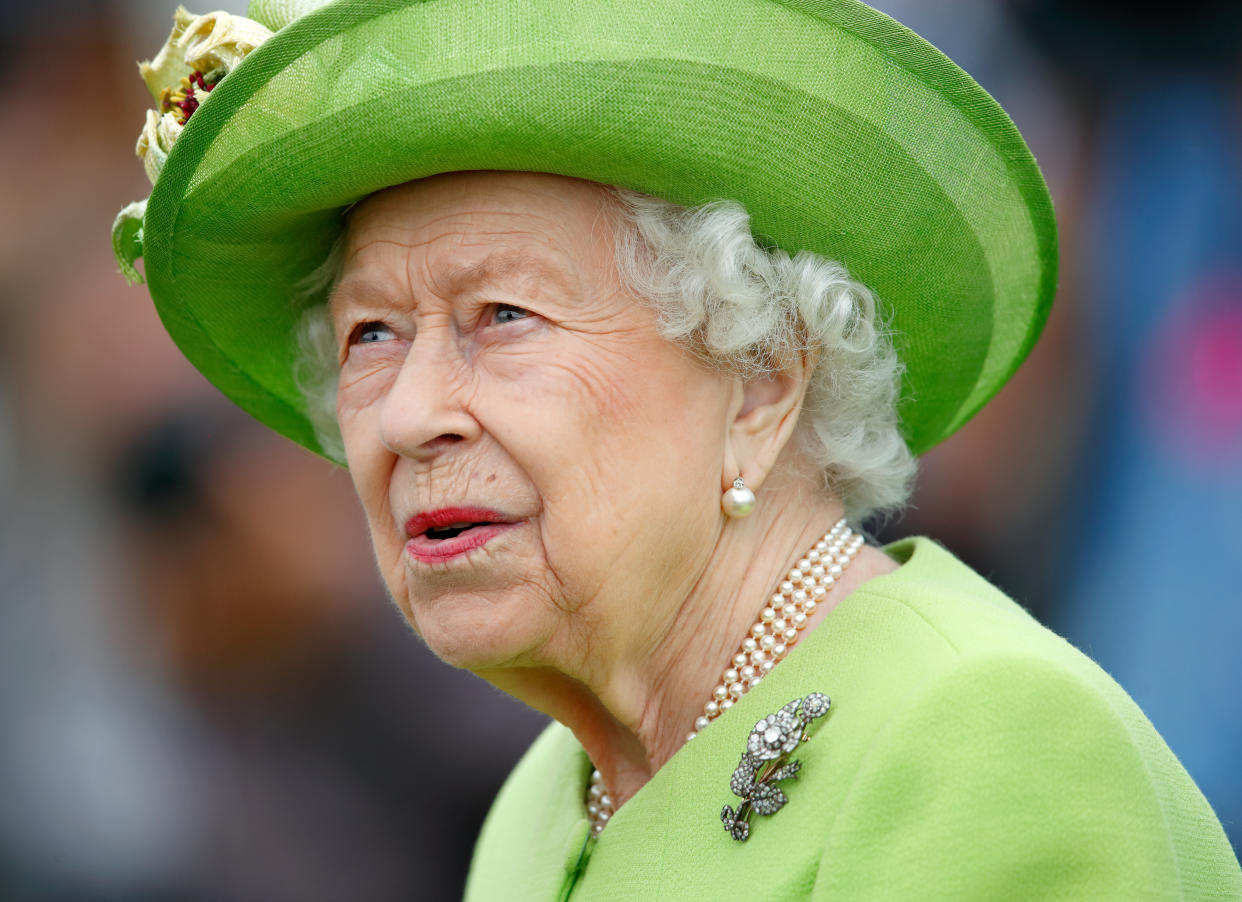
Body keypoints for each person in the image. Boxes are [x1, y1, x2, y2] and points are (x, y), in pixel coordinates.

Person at [111, 0, 1242, 898]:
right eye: (372, 335)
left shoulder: (985, 744)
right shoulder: (542, 807)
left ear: (760, 380)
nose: (410, 415)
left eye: (504, 316)